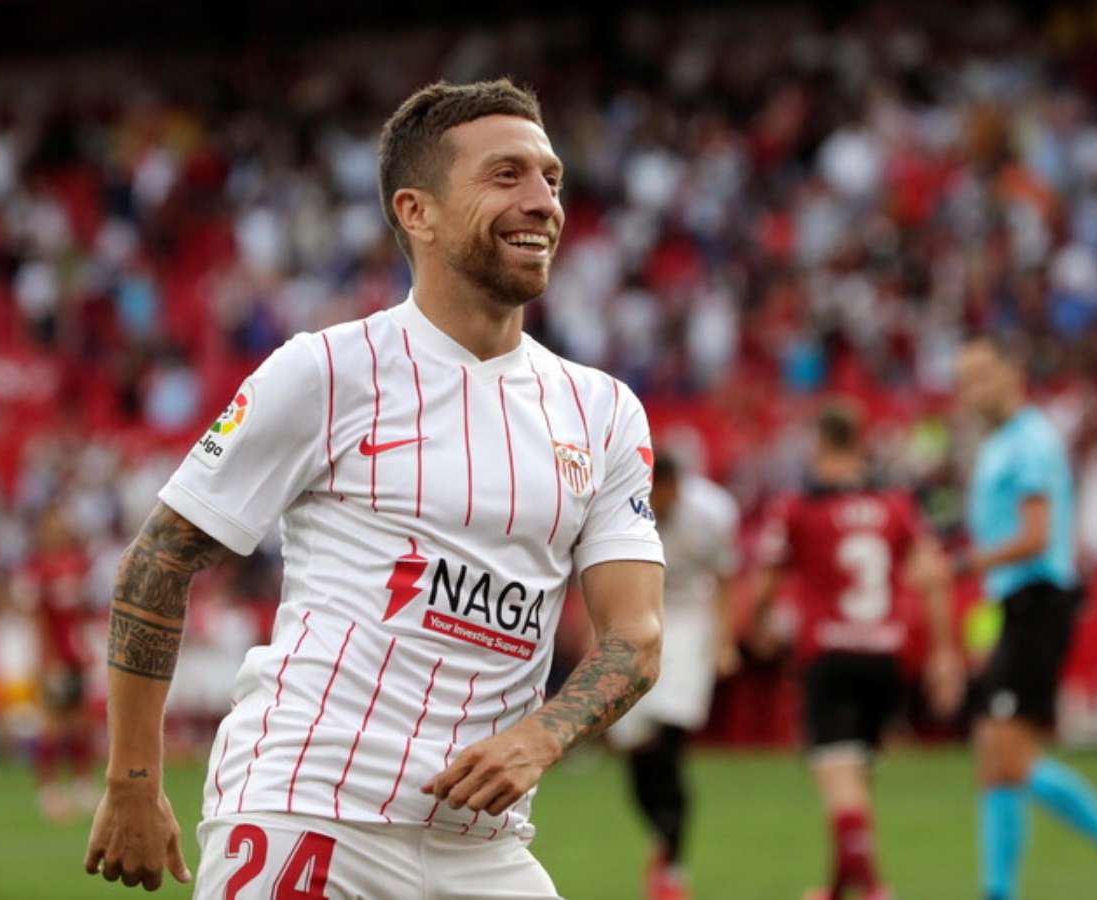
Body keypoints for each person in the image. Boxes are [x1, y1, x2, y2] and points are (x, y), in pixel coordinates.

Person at [83, 78, 665, 897]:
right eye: (506, 176)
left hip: (484, 843)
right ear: (416, 212)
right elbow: (158, 562)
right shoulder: (326, 371)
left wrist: (542, 737)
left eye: (551, 178)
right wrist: (132, 782)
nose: (542, 201)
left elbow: (634, 637)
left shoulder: (603, 411)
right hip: (308, 811)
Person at [956, 337, 1097, 900]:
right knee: (994, 755)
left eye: (982, 376)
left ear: (1012, 373)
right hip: (1016, 604)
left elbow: (1036, 535)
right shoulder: (999, 443)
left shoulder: (1030, 442)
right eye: (965, 380)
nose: (972, 390)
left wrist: (964, 564)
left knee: (1010, 755)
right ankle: (999, 891)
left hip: (1039, 602)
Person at [751, 404, 962, 900]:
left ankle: (870, 888)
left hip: (830, 653)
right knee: (855, 774)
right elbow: (934, 575)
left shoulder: (799, 507)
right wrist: (943, 653)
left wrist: (759, 624)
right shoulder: (897, 506)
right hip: (886, 655)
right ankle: (839, 883)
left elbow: (765, 579)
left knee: (837, 774)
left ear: (821, 442)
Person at [608, 454, 741, 900]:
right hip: (633, 618)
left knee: (670, 736)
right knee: (636, 749)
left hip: (687, 621)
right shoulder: (621, 504)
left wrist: (724, 642)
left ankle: (672, 863)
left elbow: (723, 578)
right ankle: (662, 836)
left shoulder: (710, 512)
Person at [18, 505, 98, 821]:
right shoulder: (37, 569)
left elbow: (82, 612)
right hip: (55, 657)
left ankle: (82, 782)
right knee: (53, 722)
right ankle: (48, 788)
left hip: (76, 654)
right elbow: (36, 617)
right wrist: (46, 658)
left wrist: (86, 646)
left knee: (80, 720)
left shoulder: (76, 564)